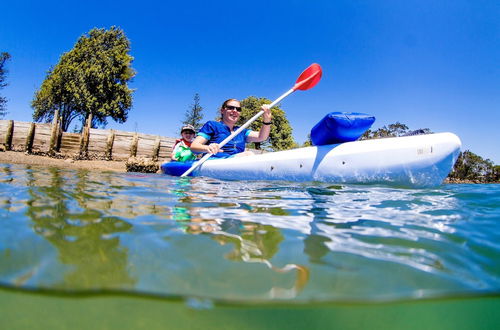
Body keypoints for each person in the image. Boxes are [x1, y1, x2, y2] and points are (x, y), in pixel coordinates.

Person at [190, 99, 272, 158]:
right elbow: (194, 147)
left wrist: (267, 120)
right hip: (214, 162)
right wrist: (207, 148)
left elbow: (262, 137)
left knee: (249, 155)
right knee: (248, 154)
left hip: (235, 163)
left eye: (238, 109)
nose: (235, 111)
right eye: (230, 108)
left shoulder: (241, 131)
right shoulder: (212, 125)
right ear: (222, 111)